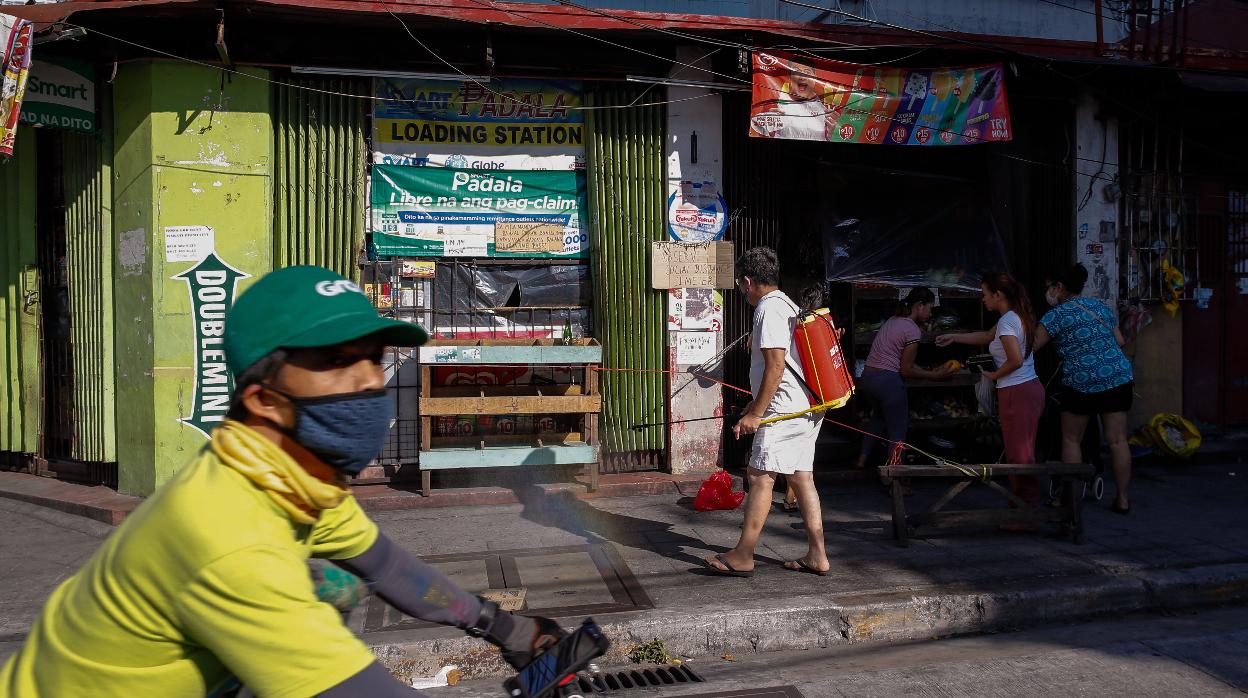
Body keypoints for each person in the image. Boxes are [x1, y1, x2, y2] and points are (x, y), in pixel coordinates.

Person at [0, 266, 563, 697]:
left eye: (373, 358)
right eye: (339, 361)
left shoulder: (291, 477)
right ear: (265, 401)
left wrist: (507, 630)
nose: (370, 383)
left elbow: (391, 569)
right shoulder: (227, 537)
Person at [706, 248, 831, 577]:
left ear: (747, 281)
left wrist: (756, 414)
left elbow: (775, 366)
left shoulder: (768, 309)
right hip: (805, 405)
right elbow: (785, 367)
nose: (741, 291)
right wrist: (752, 405)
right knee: (801, 478)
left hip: (784, 409)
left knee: (760, 476)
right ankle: (817, 555)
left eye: (739, 285)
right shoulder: (787, 304)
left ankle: (744, 554)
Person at [937, 272, 1045, 512]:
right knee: (1020, 453)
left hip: (1018, 392)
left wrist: (994, 375)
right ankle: (1022, 507)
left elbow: (1015, 360)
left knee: (1020, 457)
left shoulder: (1008, 321)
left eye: (985, 294)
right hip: (1024, 390)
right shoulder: (1013, 316)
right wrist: (954, 337)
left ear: (998, 295)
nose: (983, 299)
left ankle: (1026, 512)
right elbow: (986, 337)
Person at [1034, 263, 1135, 514]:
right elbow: (1120, 341)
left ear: (1058, 287)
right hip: (1118, 377)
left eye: (1048, 287)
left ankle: (1071, 501)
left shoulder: (1055, 315)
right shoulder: (1100, 307)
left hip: (1081, 381)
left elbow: (1031, 348)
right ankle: (1123, 499)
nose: (1046, 292)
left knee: (1071, 438)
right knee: (1118, 440)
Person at [854, 288, 957, 470]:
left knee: (878, 419)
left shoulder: (893, 321)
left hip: (869, 379)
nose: (930, 313)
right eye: (930, 308)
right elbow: (906, 369)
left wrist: (925, 370)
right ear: (919, 306)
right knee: (898, 431)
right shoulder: (912, 330)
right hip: (888, 382)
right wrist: (935, 375)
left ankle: (861, 461)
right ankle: (896, 479)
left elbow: (900, 361)